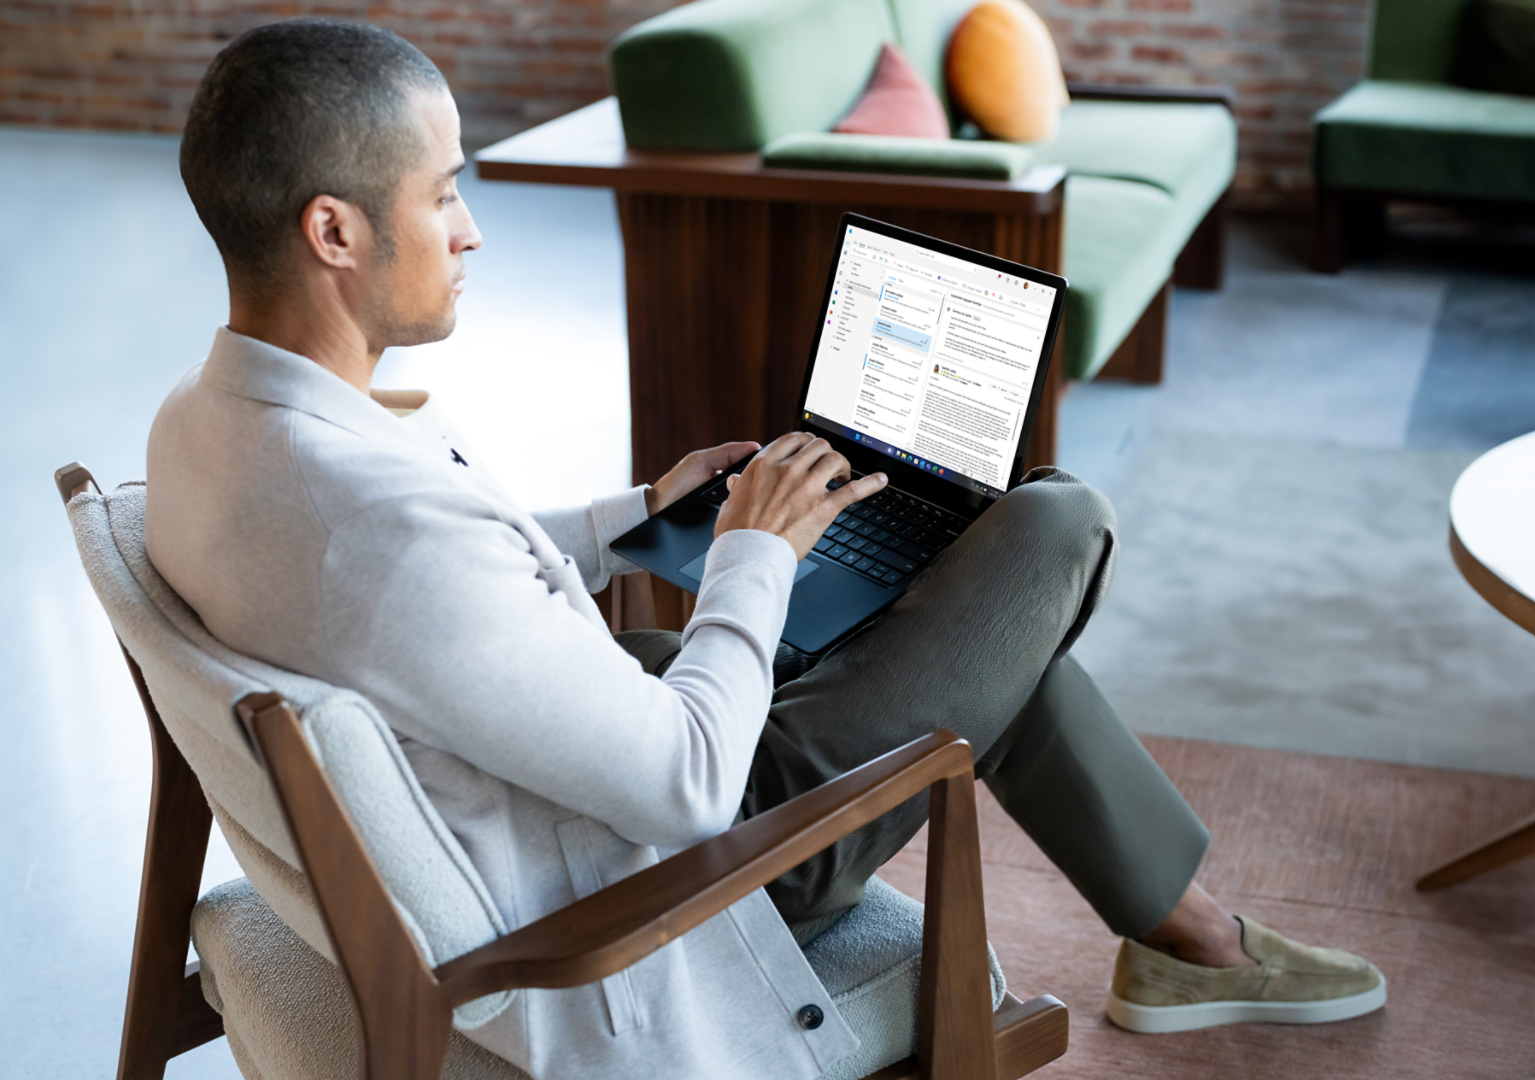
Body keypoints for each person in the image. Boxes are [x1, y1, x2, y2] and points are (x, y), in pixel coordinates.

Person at [146, 18, 1385, 1080]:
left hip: (532, 784)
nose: (469, 228)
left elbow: (448, 592)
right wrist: (755, 552)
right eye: (443, 190)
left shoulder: (210, 429)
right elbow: (684, 785)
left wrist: (642, 512)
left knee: (950, 611)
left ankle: (1187, 930)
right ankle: (1195, 938)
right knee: (1046, 523)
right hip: (675, 889)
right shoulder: (381, 530)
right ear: (334, 233)